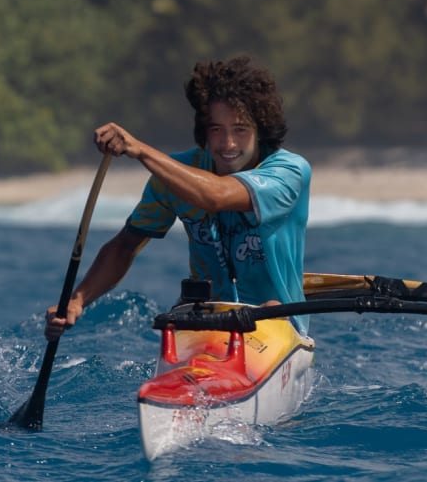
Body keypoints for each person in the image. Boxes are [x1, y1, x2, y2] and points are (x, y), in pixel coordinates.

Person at [44, 55, 312, 340]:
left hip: (275, 322)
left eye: (240, 129)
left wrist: (140, 150)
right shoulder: (174, 176)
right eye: (216, 129)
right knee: (184, 312)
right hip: (206, 318)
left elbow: (216, 196)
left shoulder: (289, 172)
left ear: (260, 130)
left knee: (269, 307)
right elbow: (125, 246)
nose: (228, 143)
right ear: (203, 131)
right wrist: (77, 300)